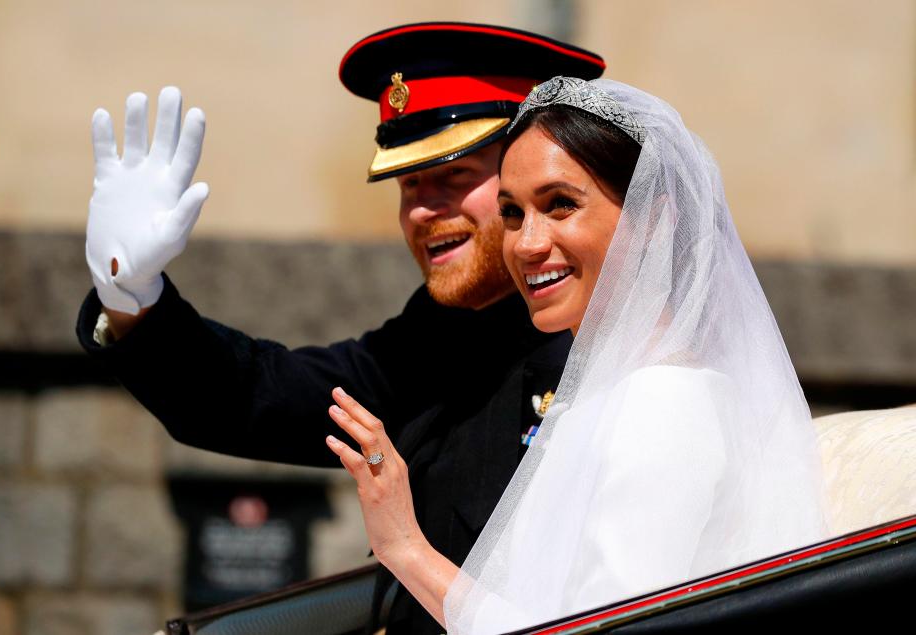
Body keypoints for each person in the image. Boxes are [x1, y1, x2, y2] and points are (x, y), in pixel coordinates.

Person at [75, 23, 607, 635]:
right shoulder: (441, 332)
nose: (424, 209)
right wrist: (133, 297)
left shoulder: (612, 339)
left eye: (453, 176)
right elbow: (265, 397)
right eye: (408, 184)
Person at [324, 76, 828, 633]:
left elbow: (595, 630)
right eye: (512, 213)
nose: (527, 243)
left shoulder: (663, 400)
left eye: (561, 204)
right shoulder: (609, 388)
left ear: (656, 220)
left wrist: (406, 547)